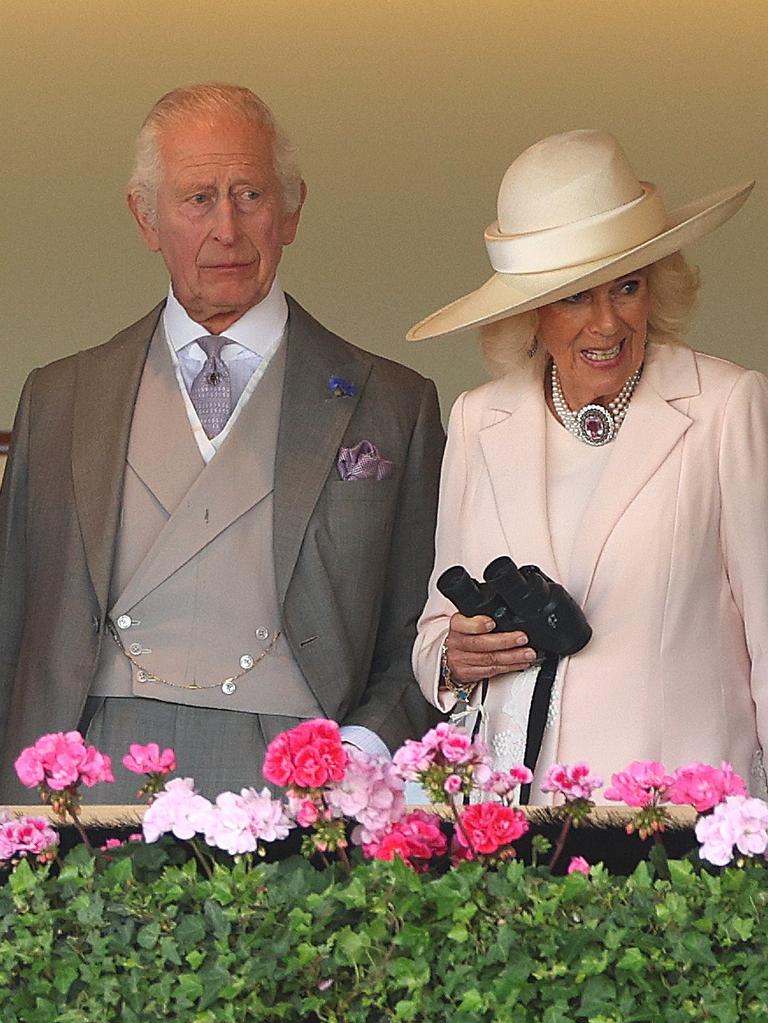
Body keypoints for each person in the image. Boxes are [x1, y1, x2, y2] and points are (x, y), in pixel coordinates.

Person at [0, 83, 444, 802]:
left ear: (294, 209)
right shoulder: (60, 398)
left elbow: (420, 630)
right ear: (145, 217)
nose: (228, 229)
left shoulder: (395, 403)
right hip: (90, 768)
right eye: (198, 198)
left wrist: (360, 749)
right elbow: (11, 615)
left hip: (299, 773)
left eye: (251, 195)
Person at [409, 128, 768, 803]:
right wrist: (454, 659)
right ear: (531, 313)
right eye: (576, 296)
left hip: (681, 828)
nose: (605, 324)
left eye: (626, 287)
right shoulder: (479, 419)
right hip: (517, 829)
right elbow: (435, 636)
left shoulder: (725, 407)